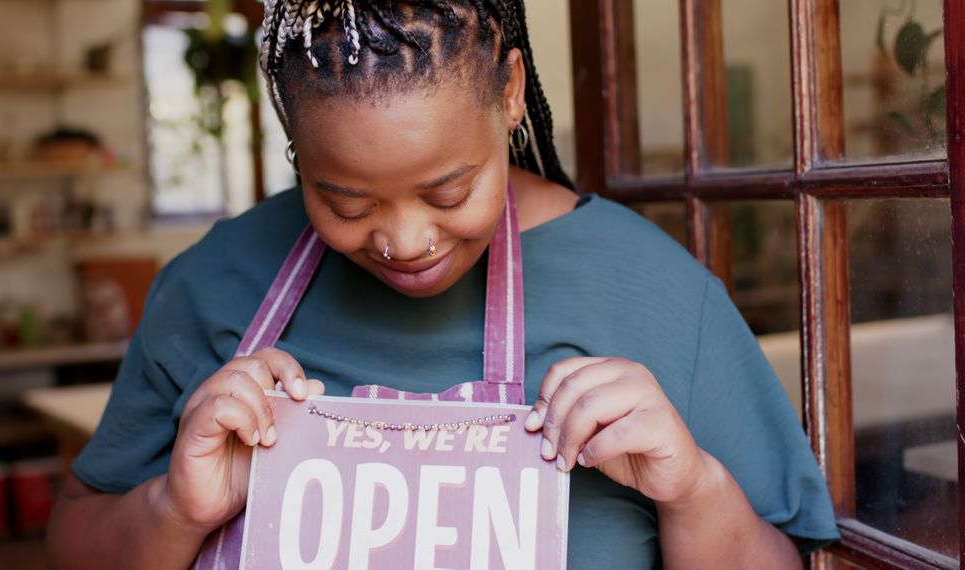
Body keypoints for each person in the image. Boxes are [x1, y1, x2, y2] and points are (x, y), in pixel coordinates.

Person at [47, 1, 840, 568]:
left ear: (508, 92)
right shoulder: (212, 285)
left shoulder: (657, 291)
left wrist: (693, 490)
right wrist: (177, 509)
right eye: (345, 201)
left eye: (449, 191)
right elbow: (73, 542)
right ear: (293, 141)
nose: (404, 241)